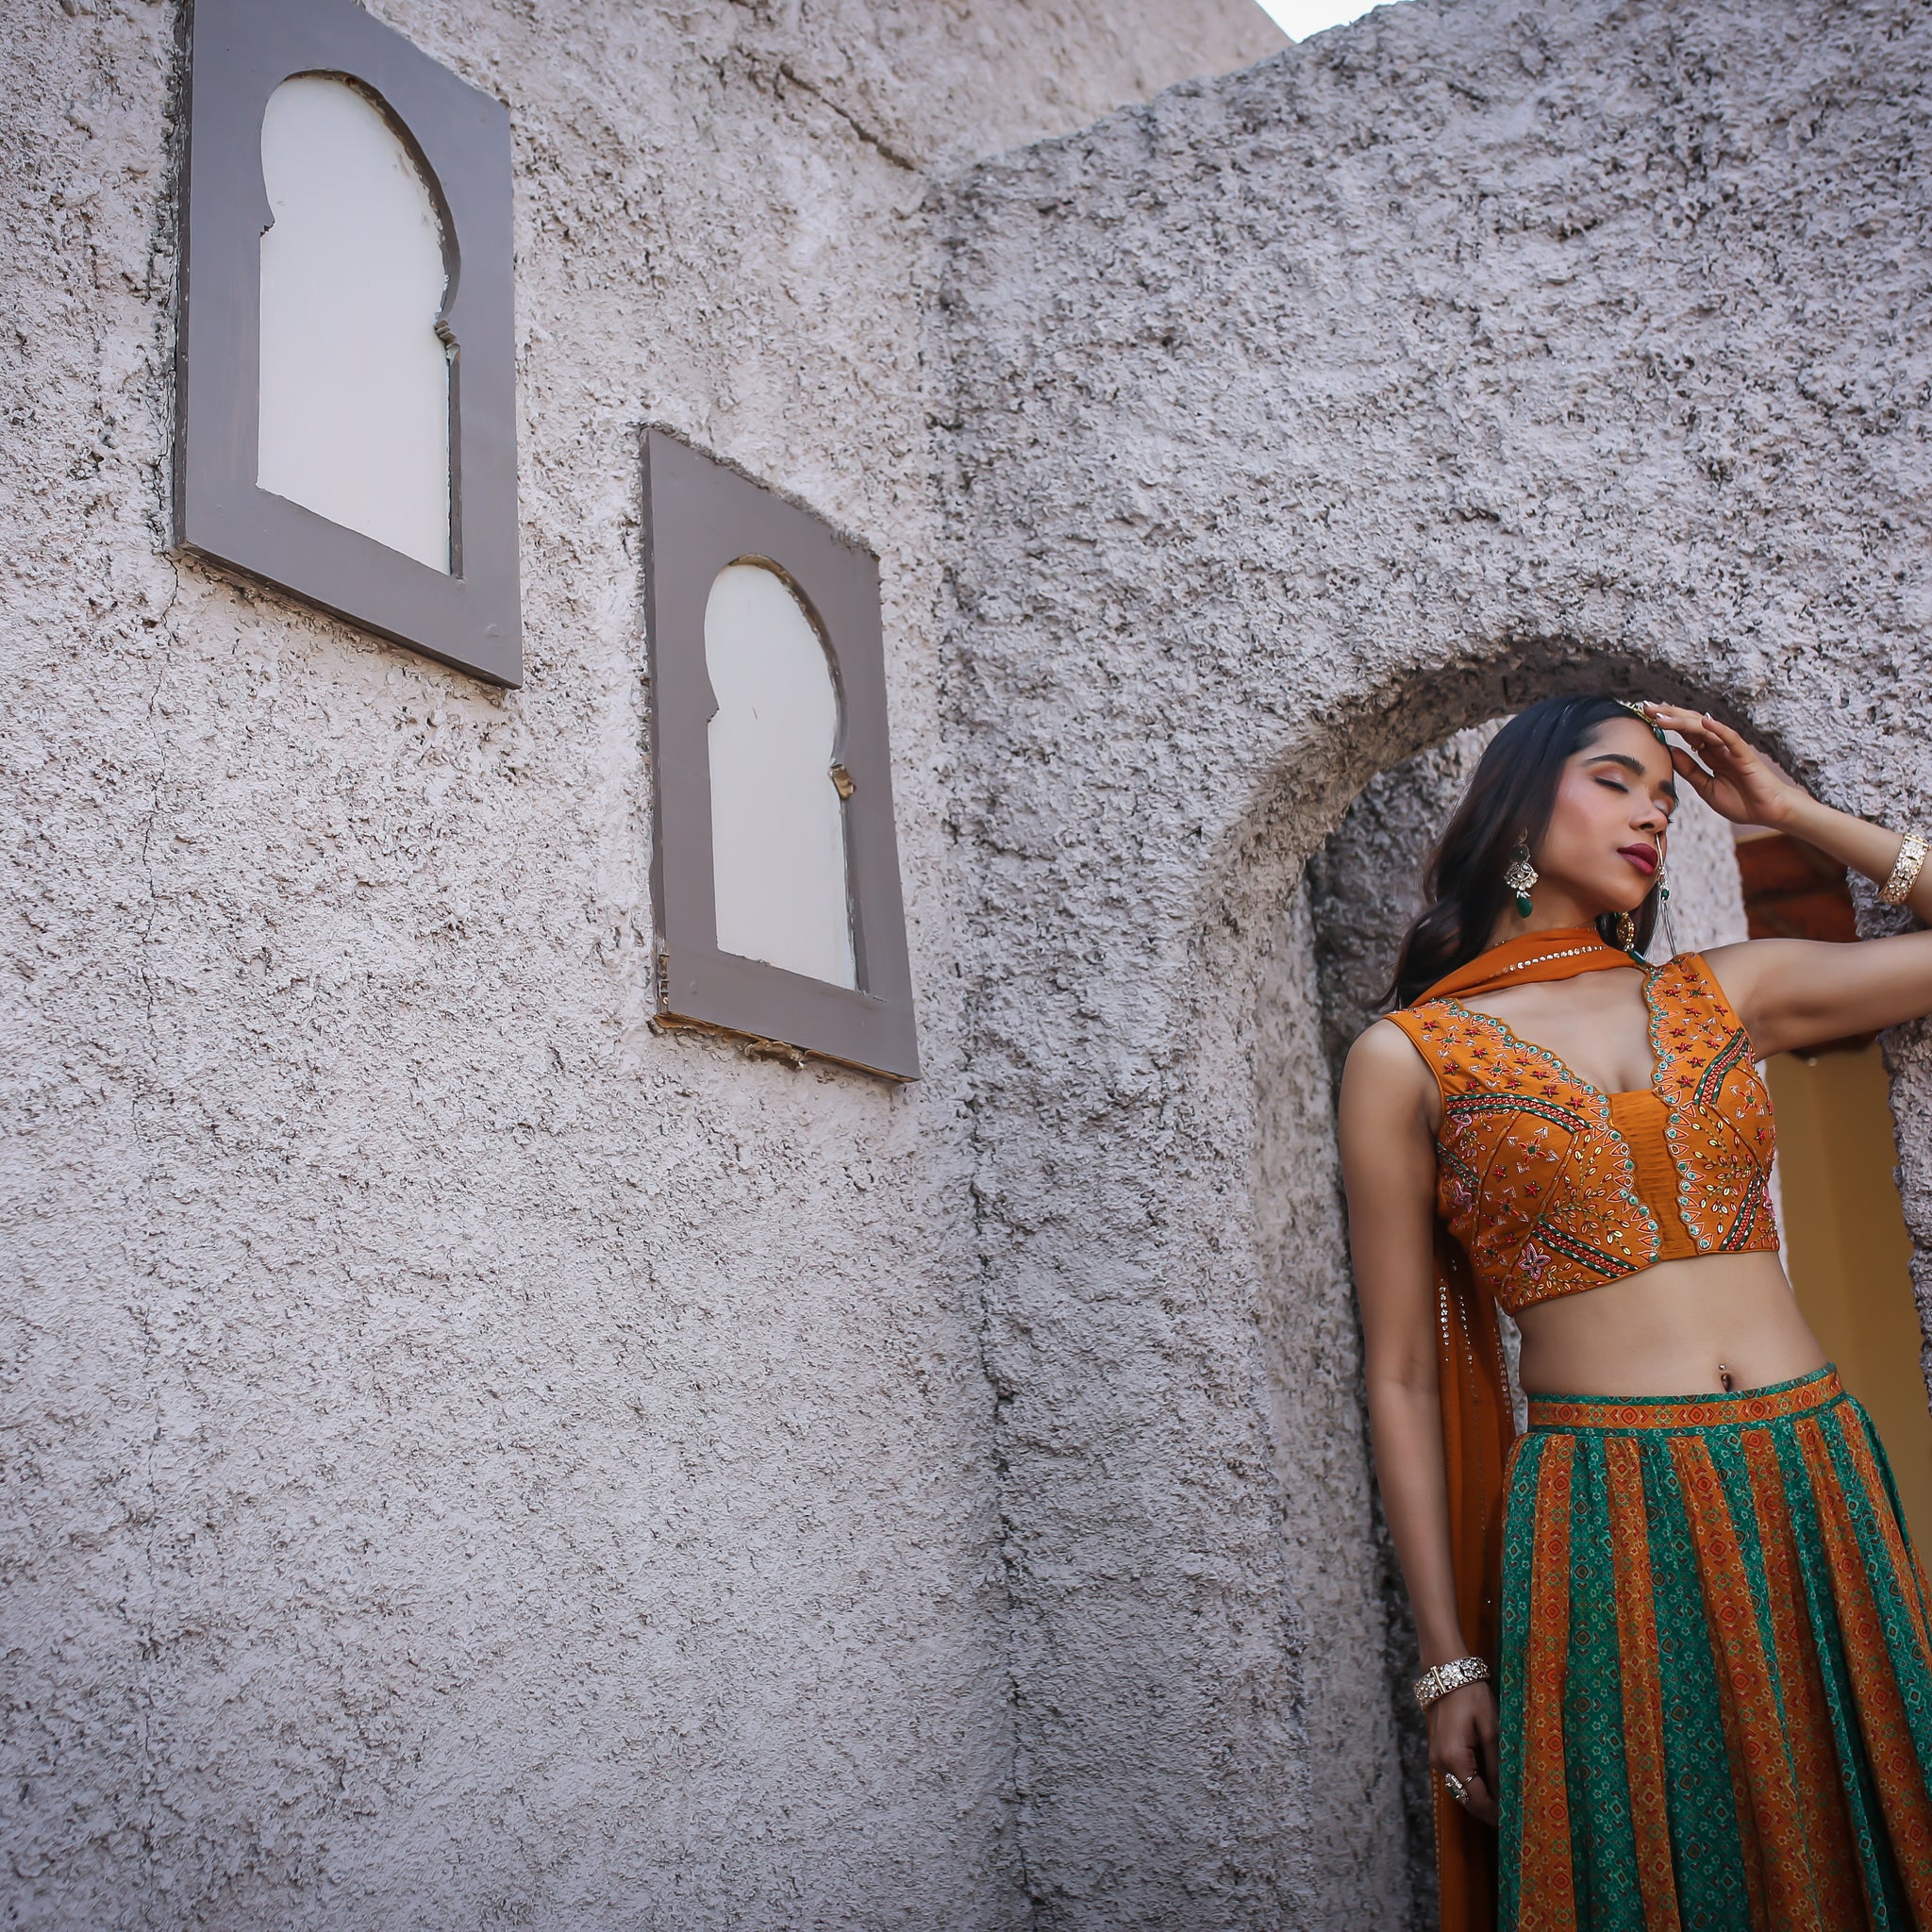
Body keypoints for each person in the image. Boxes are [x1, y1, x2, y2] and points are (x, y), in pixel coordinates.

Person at [1338, 694, 1932, 1930]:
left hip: (1807, 1468)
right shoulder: (1408, 1057)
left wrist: (1791, 816)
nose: (1655, 811)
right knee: (1657, 1860)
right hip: (1605, 1509)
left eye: (1666, 792)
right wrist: (1448, 1661)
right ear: (1517, 799)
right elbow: (1398, 1371)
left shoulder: (1730, 990)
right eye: (1618, 780)